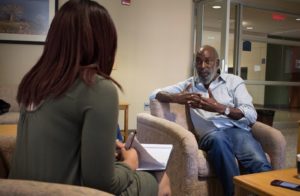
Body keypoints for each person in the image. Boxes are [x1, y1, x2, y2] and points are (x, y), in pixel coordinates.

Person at [9, 1, 171, 195]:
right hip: (69, 191)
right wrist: (130, 163)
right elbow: (103, 184)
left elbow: (58, 140)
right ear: (103, 42)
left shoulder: (33, 81)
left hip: (19, 190)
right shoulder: (98, 88)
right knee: (162, 179)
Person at [149, 45, 271, 196]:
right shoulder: (190, 85)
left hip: (236, 130)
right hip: (210, 134)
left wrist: (220, 108)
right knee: (219, 139)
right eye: (199, 62)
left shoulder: (233, 82)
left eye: (208, 61)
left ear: (217, 63)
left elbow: (251, 115)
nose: (202, 66)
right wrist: (176, 98)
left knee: (259, 164)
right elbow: (153, 94)